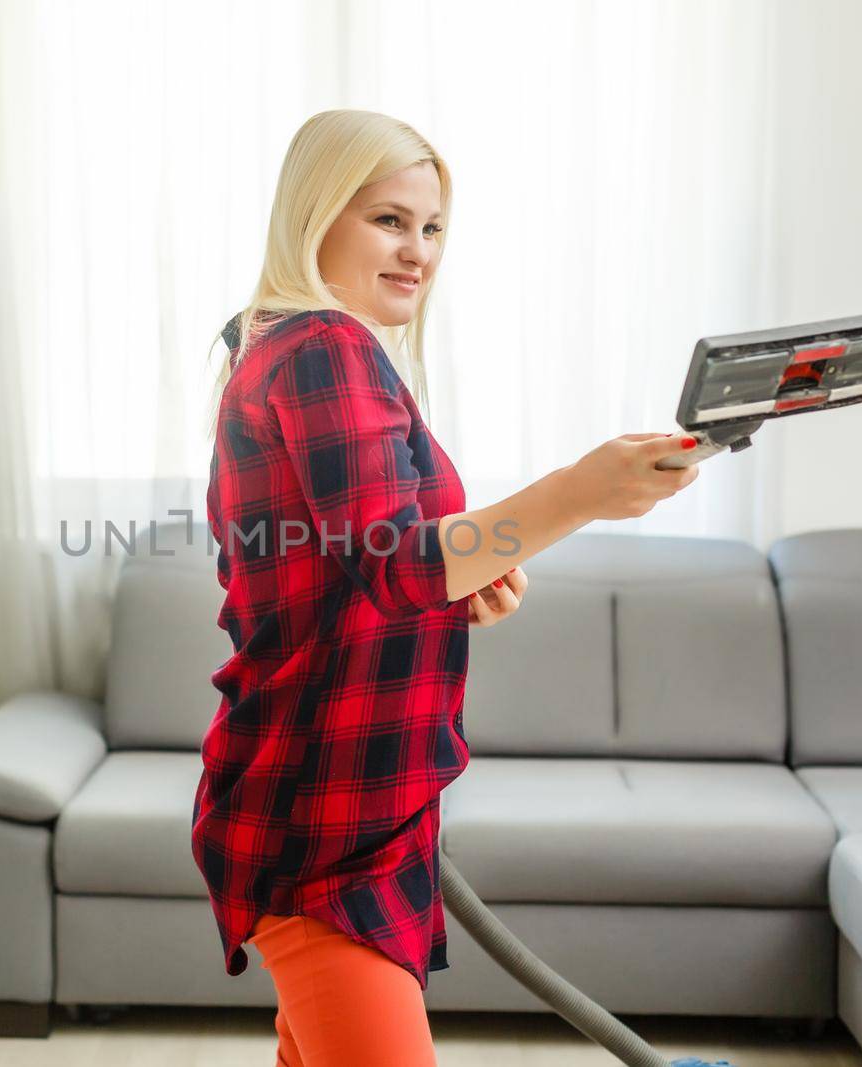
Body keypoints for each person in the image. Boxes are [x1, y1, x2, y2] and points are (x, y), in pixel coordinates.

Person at [192, 108, 700, 1067]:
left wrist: (458, 586)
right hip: (323, 818)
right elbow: (398, 560)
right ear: (316, 214)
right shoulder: (321, 350)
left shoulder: (301, 350)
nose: (416, 251)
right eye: (389, 220)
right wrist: (581, 492)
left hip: (356, 802)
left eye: (431, 228)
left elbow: (364, 561)